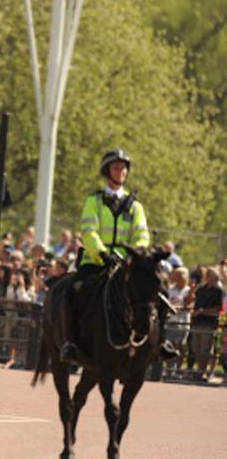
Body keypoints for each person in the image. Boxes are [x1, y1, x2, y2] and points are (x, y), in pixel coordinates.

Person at [59, 149, 175, 364]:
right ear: (107, 171)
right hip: (97, 260)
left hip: (128, 263)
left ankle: (161, 344)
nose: (120, 171)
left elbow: (142, 235)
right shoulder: (94, 201)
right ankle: (71, 343)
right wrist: (102, 253)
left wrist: (135, 255)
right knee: (72, 289)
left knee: (160, 293)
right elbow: (89, 231)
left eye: (123, 168)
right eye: (116, 167)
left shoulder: (136, 207)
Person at [189, 268, 223, 381]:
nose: (210, 278)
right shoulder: (201, 289)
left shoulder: (218, 291)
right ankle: (200, 370)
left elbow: (218, 308)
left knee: (205, 349)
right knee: (196, 348)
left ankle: (202, 372)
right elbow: (192, 300)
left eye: (212, 276)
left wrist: (202, 311)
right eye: (209, 276)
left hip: (209, 323)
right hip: (197, 322)